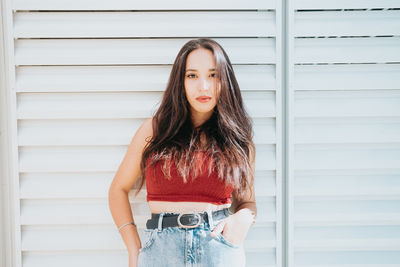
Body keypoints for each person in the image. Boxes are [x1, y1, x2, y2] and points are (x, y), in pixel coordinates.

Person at [108, 38, 257, 267]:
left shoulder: (237, 140)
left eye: (213, 75)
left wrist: (244, 219)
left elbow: (248, 202)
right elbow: (118, 190)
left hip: (219, 250)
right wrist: (134, 249)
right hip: (160, 253)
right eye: (192, 75)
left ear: (224, 80)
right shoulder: (154, 131)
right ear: (181, 82)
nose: (203, 86)